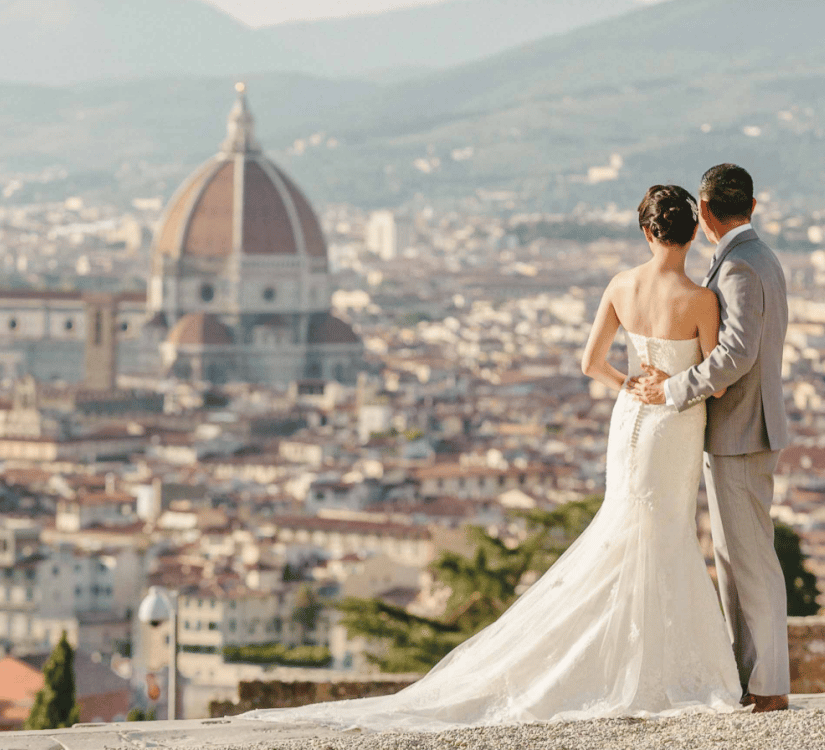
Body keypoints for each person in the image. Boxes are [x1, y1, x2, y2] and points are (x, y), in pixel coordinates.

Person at [241, 184, 743, 732]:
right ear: (693, 232)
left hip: (629, 421)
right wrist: (667, 388)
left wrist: (633, 386)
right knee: (667, 531)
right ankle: (650, 664)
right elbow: (713, 385)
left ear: (647, 232)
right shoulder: (701, 301)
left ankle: (619, 661)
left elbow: (590, 363)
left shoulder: (621, 286)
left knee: (627, 528)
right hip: (672, 424)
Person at [627, 164, 790, 713]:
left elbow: (737, 353)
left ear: (709, 211)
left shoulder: (741, 266)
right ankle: (751, 679)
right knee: (737, 560)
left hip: (741, 431)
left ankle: (767, 685)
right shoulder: (757, 256)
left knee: (749, 563)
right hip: (745, 429)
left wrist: (675, 389)